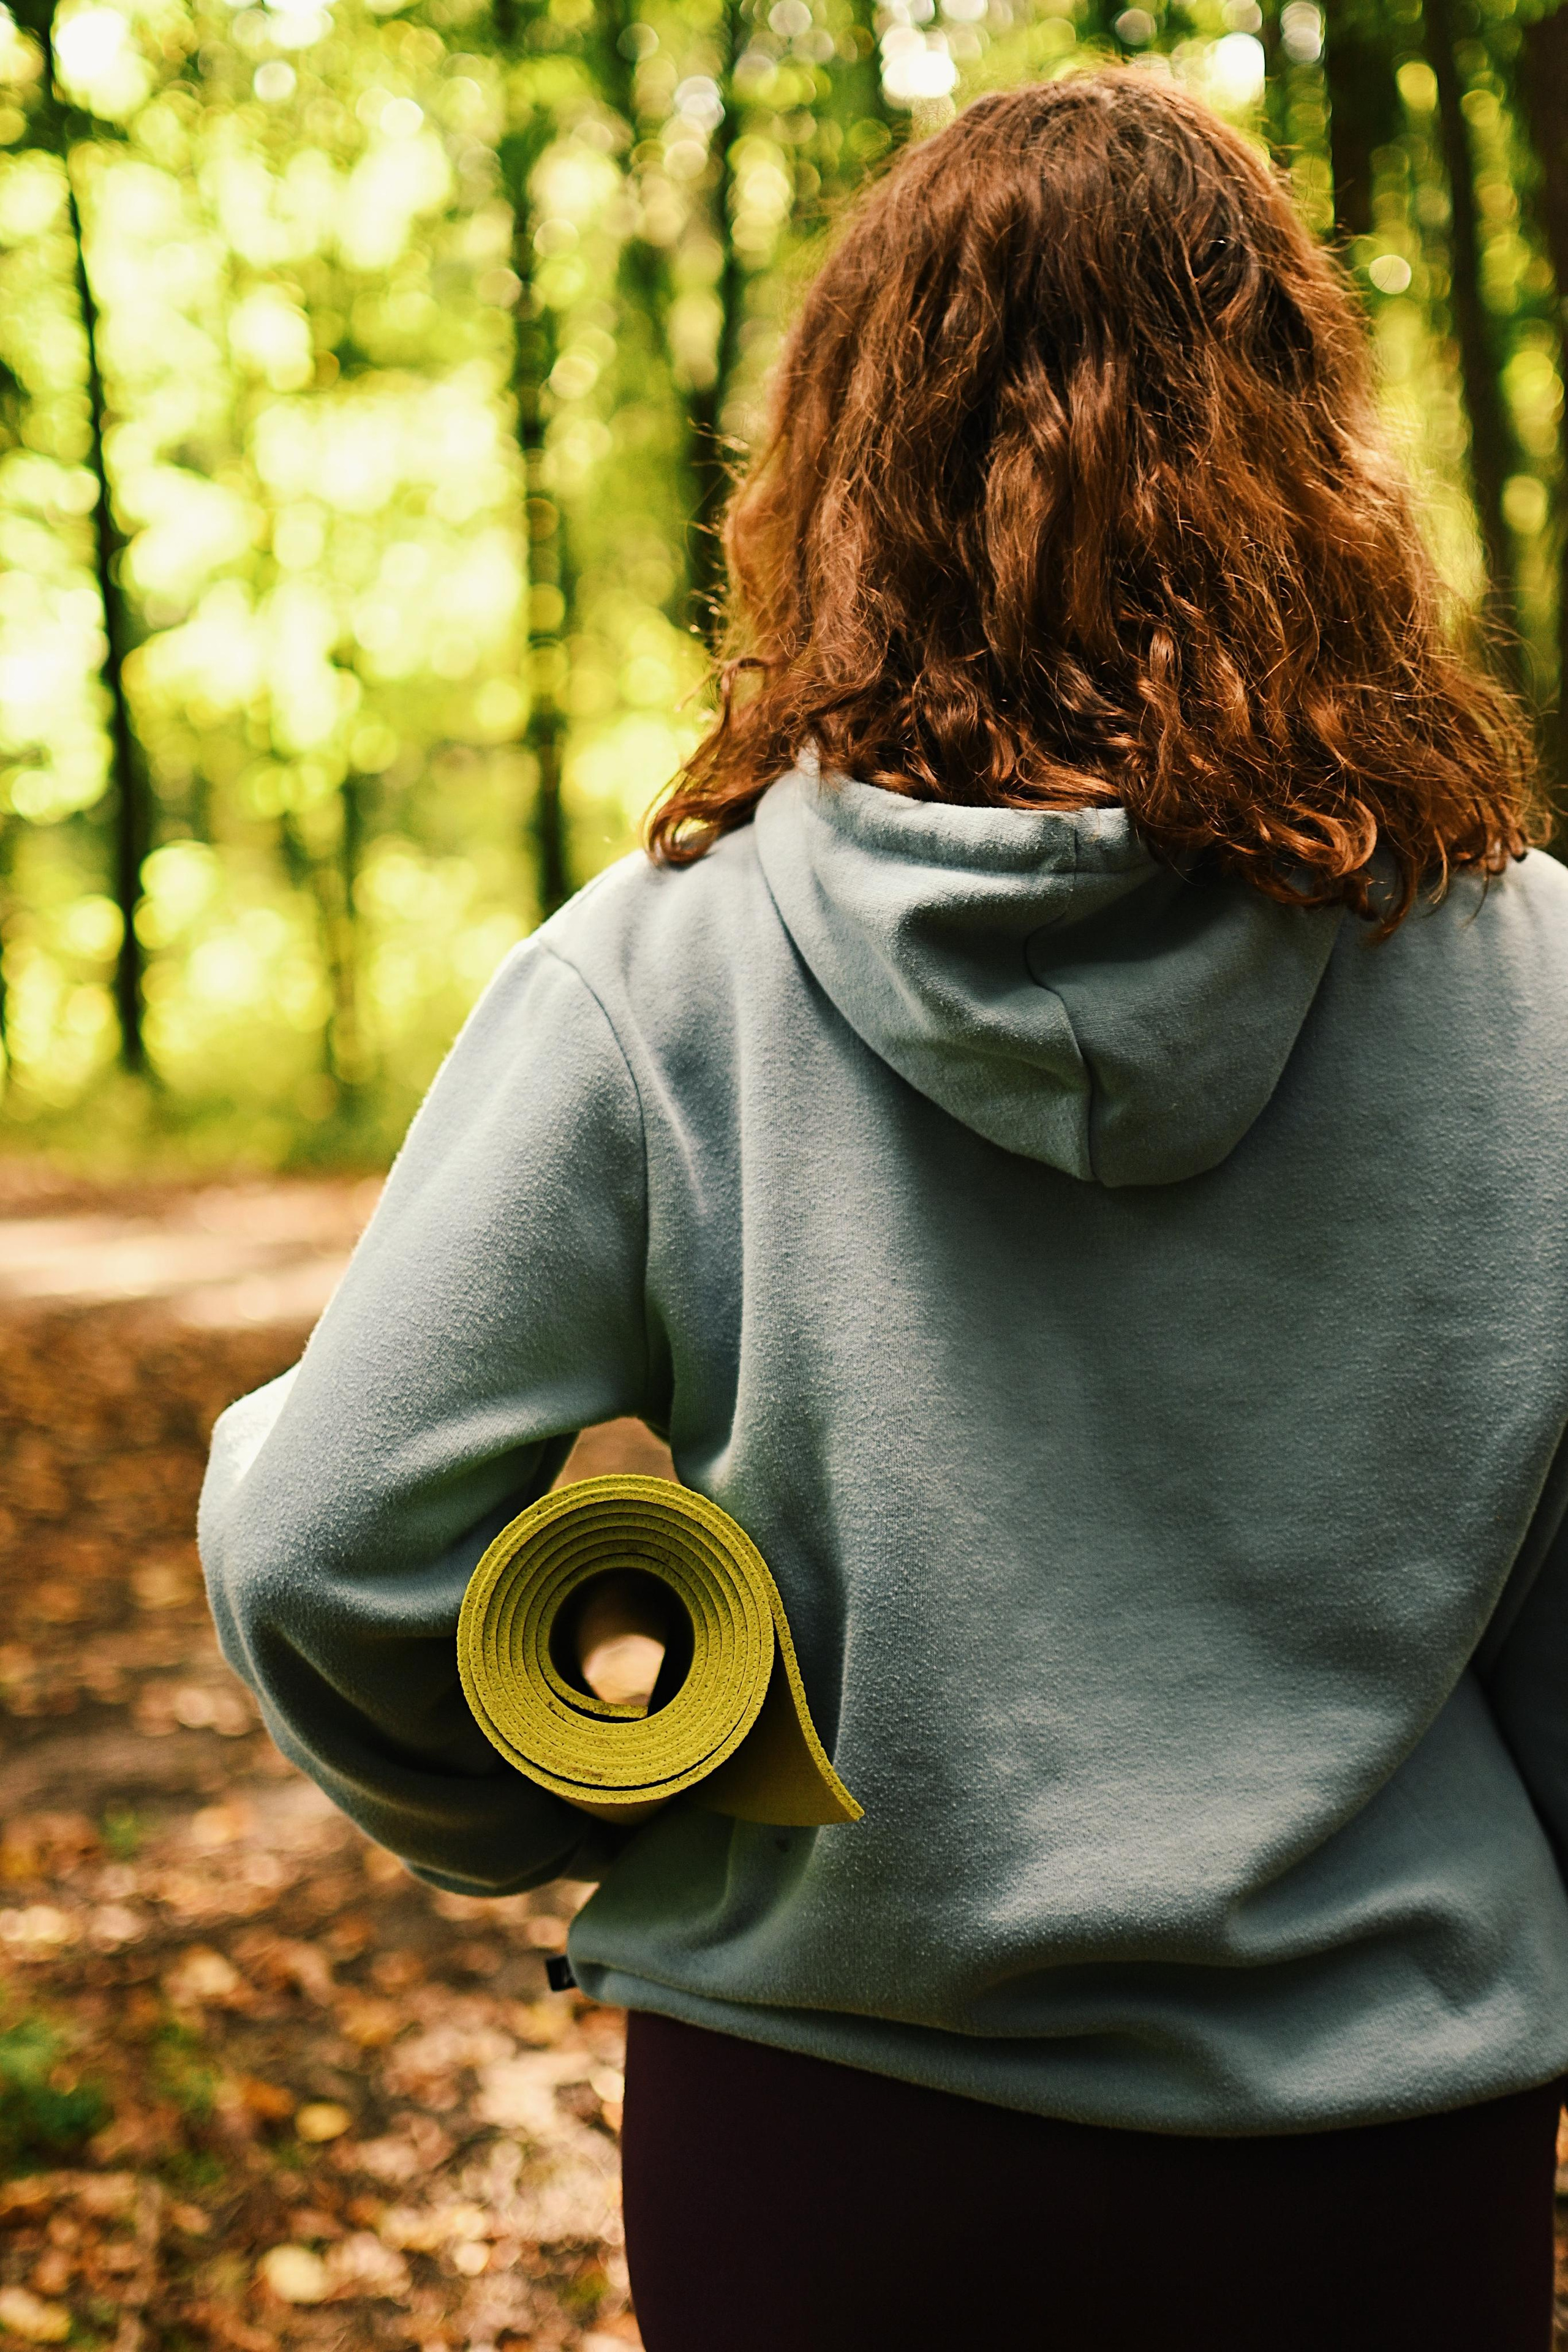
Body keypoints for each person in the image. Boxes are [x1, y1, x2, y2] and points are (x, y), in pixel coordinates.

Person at [198, 69, 1568, 2351]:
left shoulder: (668, 969)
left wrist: (579, 1809)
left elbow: (323, 1544)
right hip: (1374, 2156)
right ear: (1311, 453)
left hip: (827, 2137)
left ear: (848, 471)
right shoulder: (1534, 982)